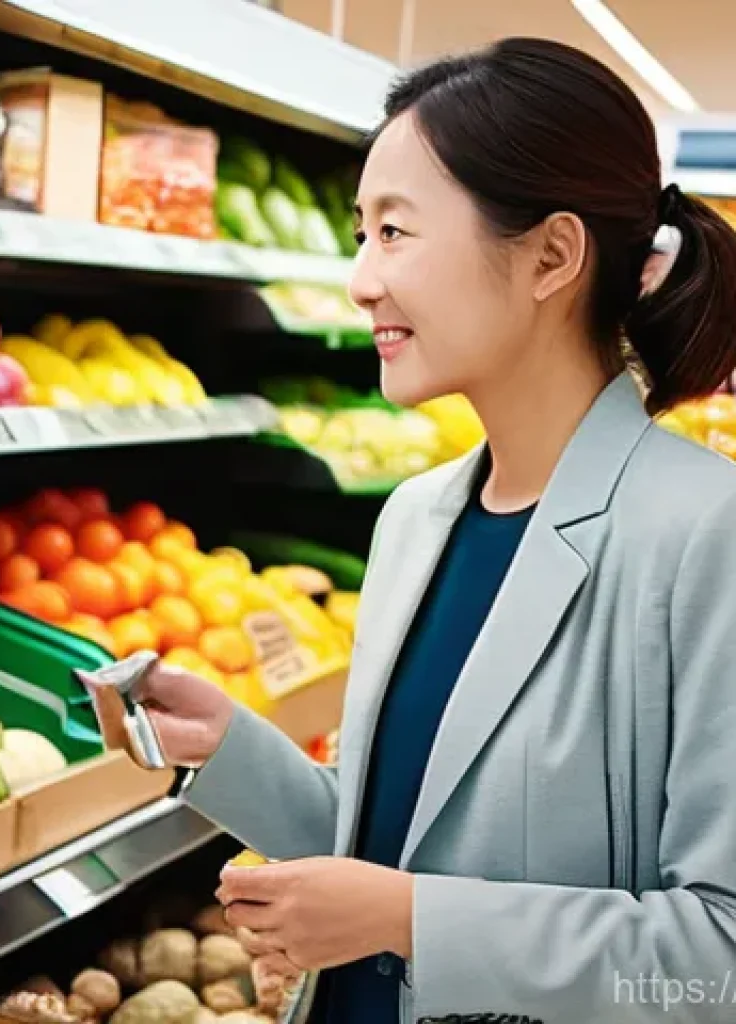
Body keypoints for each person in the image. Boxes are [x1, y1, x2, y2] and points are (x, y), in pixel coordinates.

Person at [136, 37, 736, 1024]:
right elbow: (408, 840)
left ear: (551, 255)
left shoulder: (699, 534)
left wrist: (414, 918)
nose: (358, 279)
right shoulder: (415, 518)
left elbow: (712, 963)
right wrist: (230, 749)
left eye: (394, 232)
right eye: (360, 232)